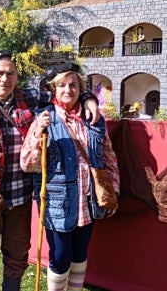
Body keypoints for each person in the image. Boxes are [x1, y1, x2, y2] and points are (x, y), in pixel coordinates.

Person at [0, 50, 101, 291]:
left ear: (17, 77)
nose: (5, 79)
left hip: (19, 196)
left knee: (17, 256)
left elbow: (65, 90)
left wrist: (89, 98)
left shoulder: (30, 98)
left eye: (10, 73)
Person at [20, 62, 120, 291]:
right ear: (54, 89)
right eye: (62, 85)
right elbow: (27, 164)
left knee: (79, 253)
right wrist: (37, 135)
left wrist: (113, 188)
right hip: (57, 202)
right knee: (61, 255)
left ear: (81, 88)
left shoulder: (93, 118)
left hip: (88, 200)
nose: (68, 90)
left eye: (73, 85)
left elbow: (108, 156)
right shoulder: (44, 118)